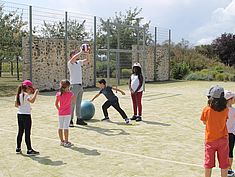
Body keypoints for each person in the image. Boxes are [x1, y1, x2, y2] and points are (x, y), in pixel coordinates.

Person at [200, 85, 229, 177]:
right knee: (224, 163)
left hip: (210, 140)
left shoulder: (206, 109)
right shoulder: (226, 109)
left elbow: (204, 122)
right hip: (223, 140)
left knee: (208, 163)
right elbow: (225, 120)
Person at [15, 80, 39, 155]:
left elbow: (16, 105)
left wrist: (26, 107)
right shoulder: (26, 95)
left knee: (20, 131)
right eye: (30, 88)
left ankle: (18, 148)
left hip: (19, 114)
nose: (31, 90)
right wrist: (35, 93)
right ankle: (29, 150)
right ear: (27, 88)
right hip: (26, 116)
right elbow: (32, 101)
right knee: (27, 133)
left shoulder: (19, 94)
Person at [68, 46, 91, 126]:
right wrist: (81, 52)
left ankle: (79, 119)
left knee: (78, 103)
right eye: (74, 54)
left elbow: (88, 60)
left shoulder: (78, 63)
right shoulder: (70, 63)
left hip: (80, 85)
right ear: (71, 56)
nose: (77, 56)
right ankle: (70, 120)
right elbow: (74, 58)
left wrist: (87, 53)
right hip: (74, 86)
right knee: (72, 104)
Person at [55, 80, 75, 147]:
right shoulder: (70, 94)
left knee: (60, 127)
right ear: (66, 87)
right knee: (66, 128)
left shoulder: (58, 94)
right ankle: (66, 142)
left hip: (61, 113)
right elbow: (74, 100)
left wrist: (59, 109)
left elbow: (56, 104)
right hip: (67, 113)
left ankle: (62, 141)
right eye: (68, 87)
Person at [224, 90, 235, 177]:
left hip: (223, 134)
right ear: (230, 100)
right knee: (230, 152)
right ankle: (229, 169)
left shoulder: (222, 110)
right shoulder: (233, 110)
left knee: (225, 152)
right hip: (231, 134)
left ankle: (225, 169)